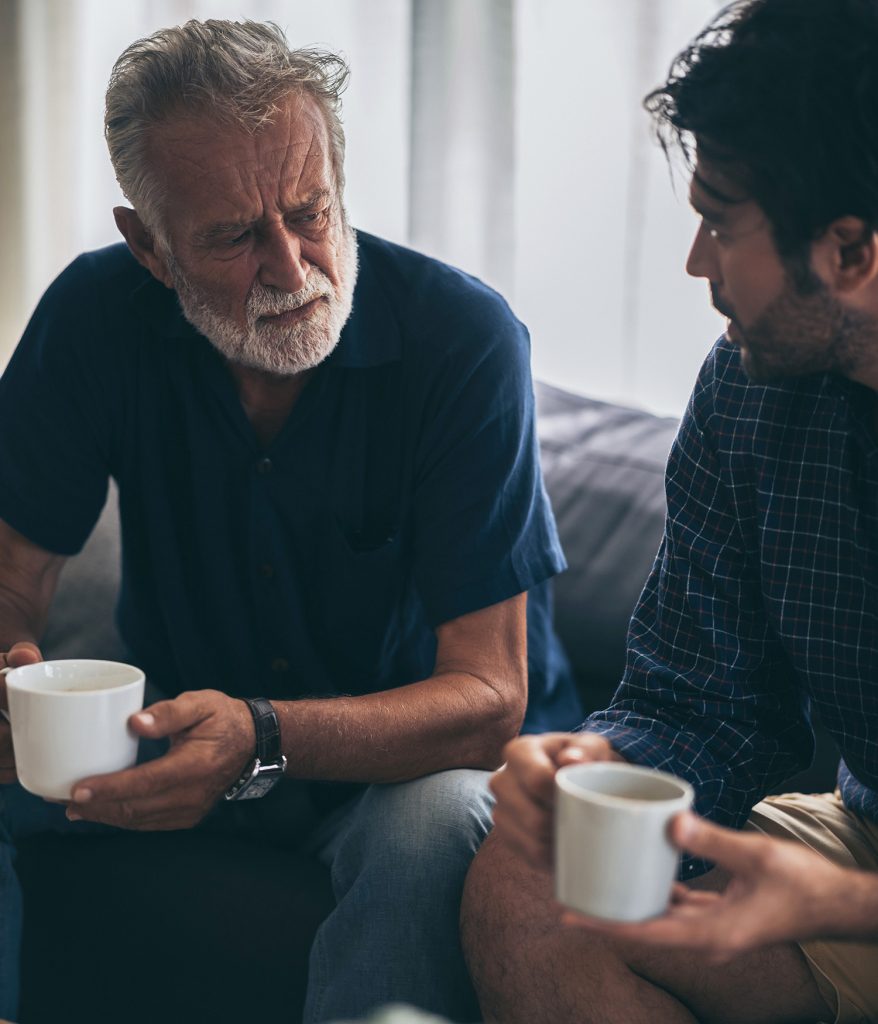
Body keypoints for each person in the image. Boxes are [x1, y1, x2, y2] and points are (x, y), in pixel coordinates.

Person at [0, 19, 582, 1024]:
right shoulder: (93, 318)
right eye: (232, 235)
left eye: (310, 212)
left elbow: (488, 699)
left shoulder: (461, 341)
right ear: (148, 244)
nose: (291, 265)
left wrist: (262, 738)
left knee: (426, 822)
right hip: (185, 730)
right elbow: (12, 581)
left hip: (421, 763)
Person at [460, 1, 878, 1022]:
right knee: (526, 878)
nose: (695, 262)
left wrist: (844, 904)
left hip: (852, 885)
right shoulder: (746, 390)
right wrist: (601, 769)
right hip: (857, 837)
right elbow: (700, 700)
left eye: (722, 222)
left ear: (849, 252)